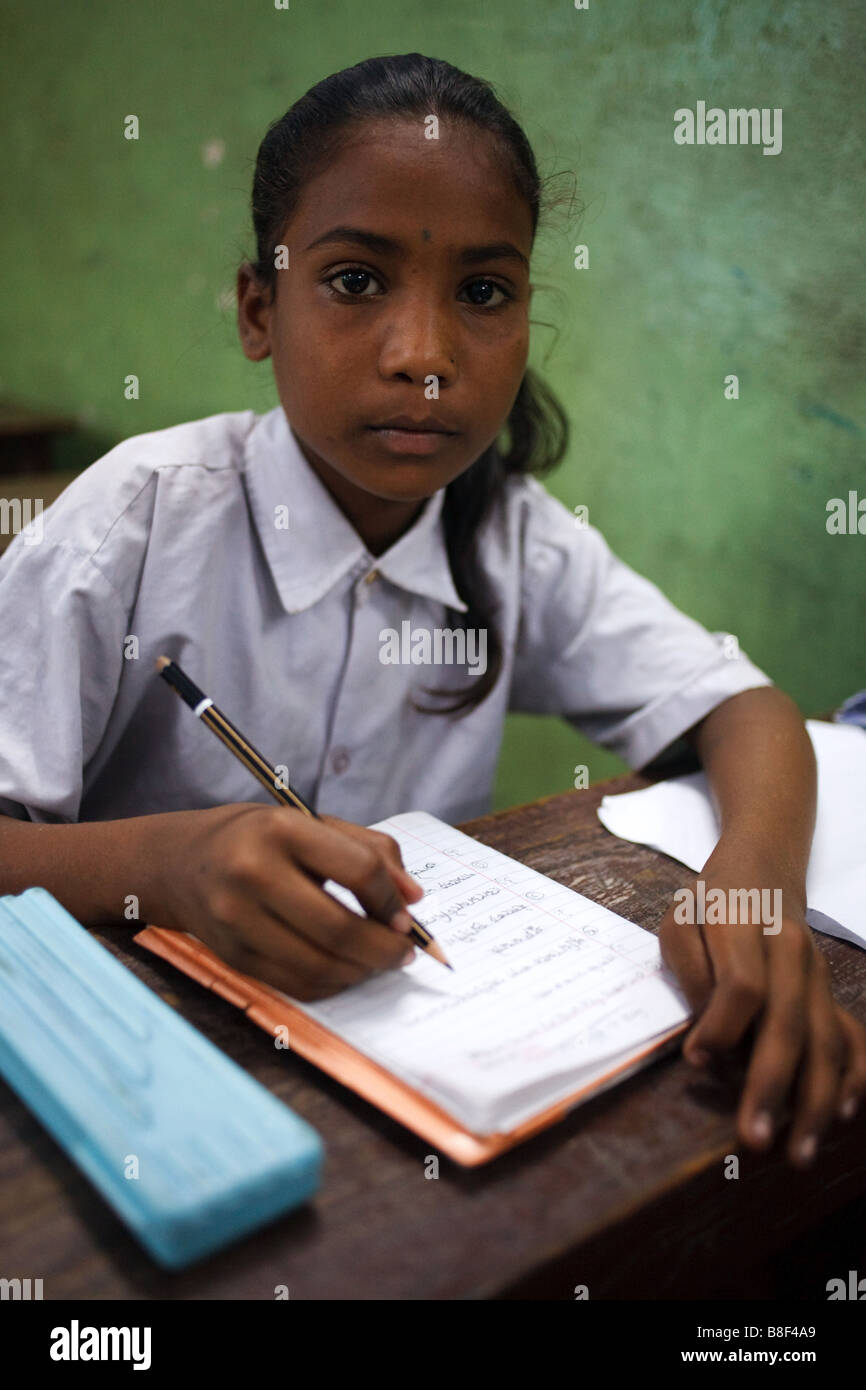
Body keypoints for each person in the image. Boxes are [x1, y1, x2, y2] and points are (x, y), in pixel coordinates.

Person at [0, 54, 862, 1166]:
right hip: (145, 1096)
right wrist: (166, 865)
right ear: (259, 307)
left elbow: (738, 707)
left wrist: (750, 892)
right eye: (355, 281)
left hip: (418, 1088)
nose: (424, 358)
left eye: (482, 292)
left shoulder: (508, 534)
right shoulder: (140, 517)